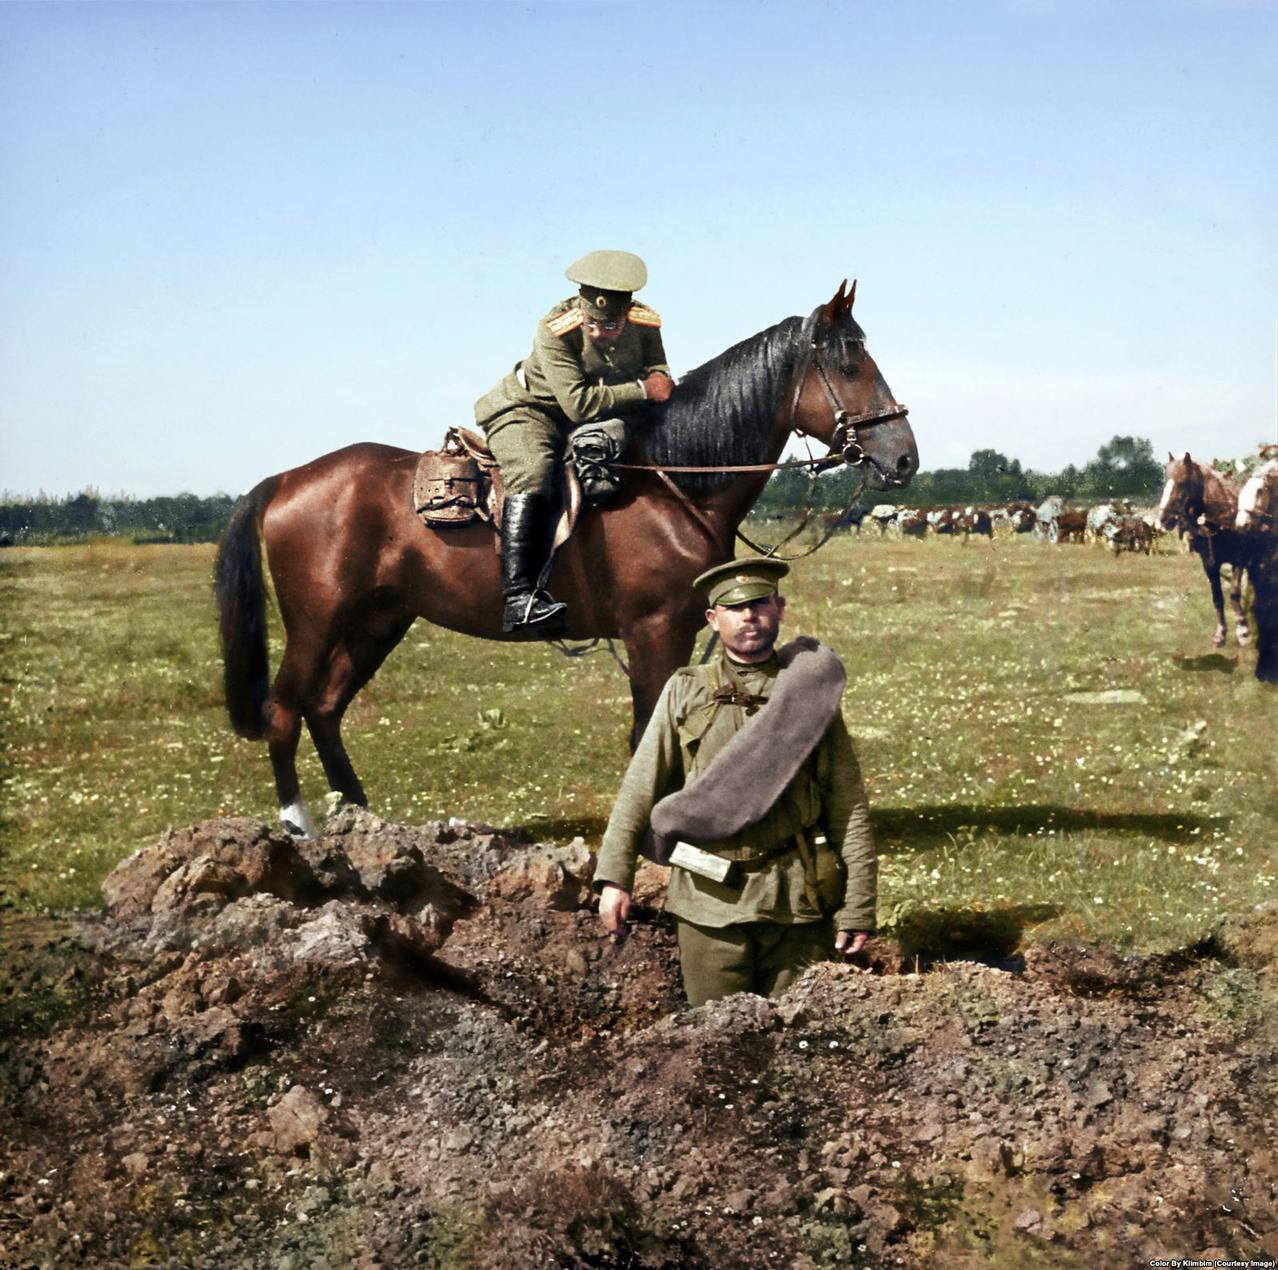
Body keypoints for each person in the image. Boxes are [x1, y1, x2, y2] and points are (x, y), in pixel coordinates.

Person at [594, 557, 877, 1006]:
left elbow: (848, 804)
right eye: (733, 607)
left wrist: (859, 903)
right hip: (707, 904)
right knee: (715, 1046)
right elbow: (640, 787)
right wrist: (615, 879)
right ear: (712, 619)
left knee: (798, 1042)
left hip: (795, 904)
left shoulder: (807, 693)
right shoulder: (686, 690)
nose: (749, 616)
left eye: (760, 603)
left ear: (779, 608)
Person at [474, 249, 675, 637]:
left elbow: (660, 374)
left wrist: (657, 385)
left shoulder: (645, 323)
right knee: (533, 470)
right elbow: (579, 403)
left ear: (628, 312)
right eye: (592, 324)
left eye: (611, 325)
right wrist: (642, 389)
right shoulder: (554, 330)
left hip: (595, 415)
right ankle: (519, 598)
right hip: (529, 411)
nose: (599, 333)